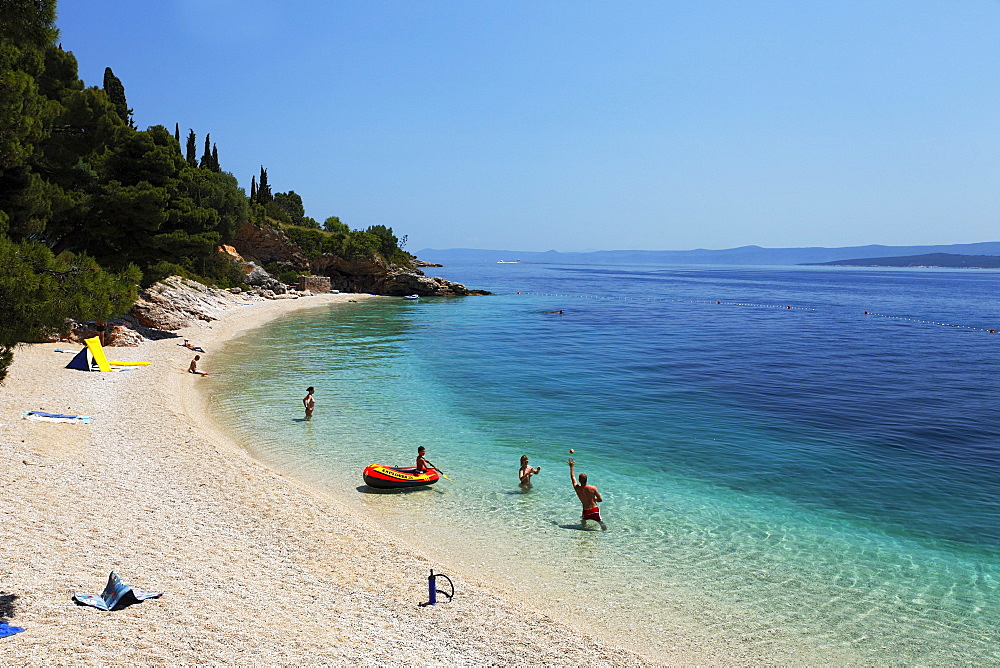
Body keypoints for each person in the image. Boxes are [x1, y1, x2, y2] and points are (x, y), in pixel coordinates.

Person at [568, 459, 606, 530]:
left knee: (583, 521)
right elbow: (600, 500)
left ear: (579, 480)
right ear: (586, 480)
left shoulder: (577, 488)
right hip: (595, 510)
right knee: (601, 523)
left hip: (586, 511)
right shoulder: (593, 488)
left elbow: (572, 477)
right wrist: (593, 499)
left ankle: (583, 531)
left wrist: (571, 466)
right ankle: (605, 534)